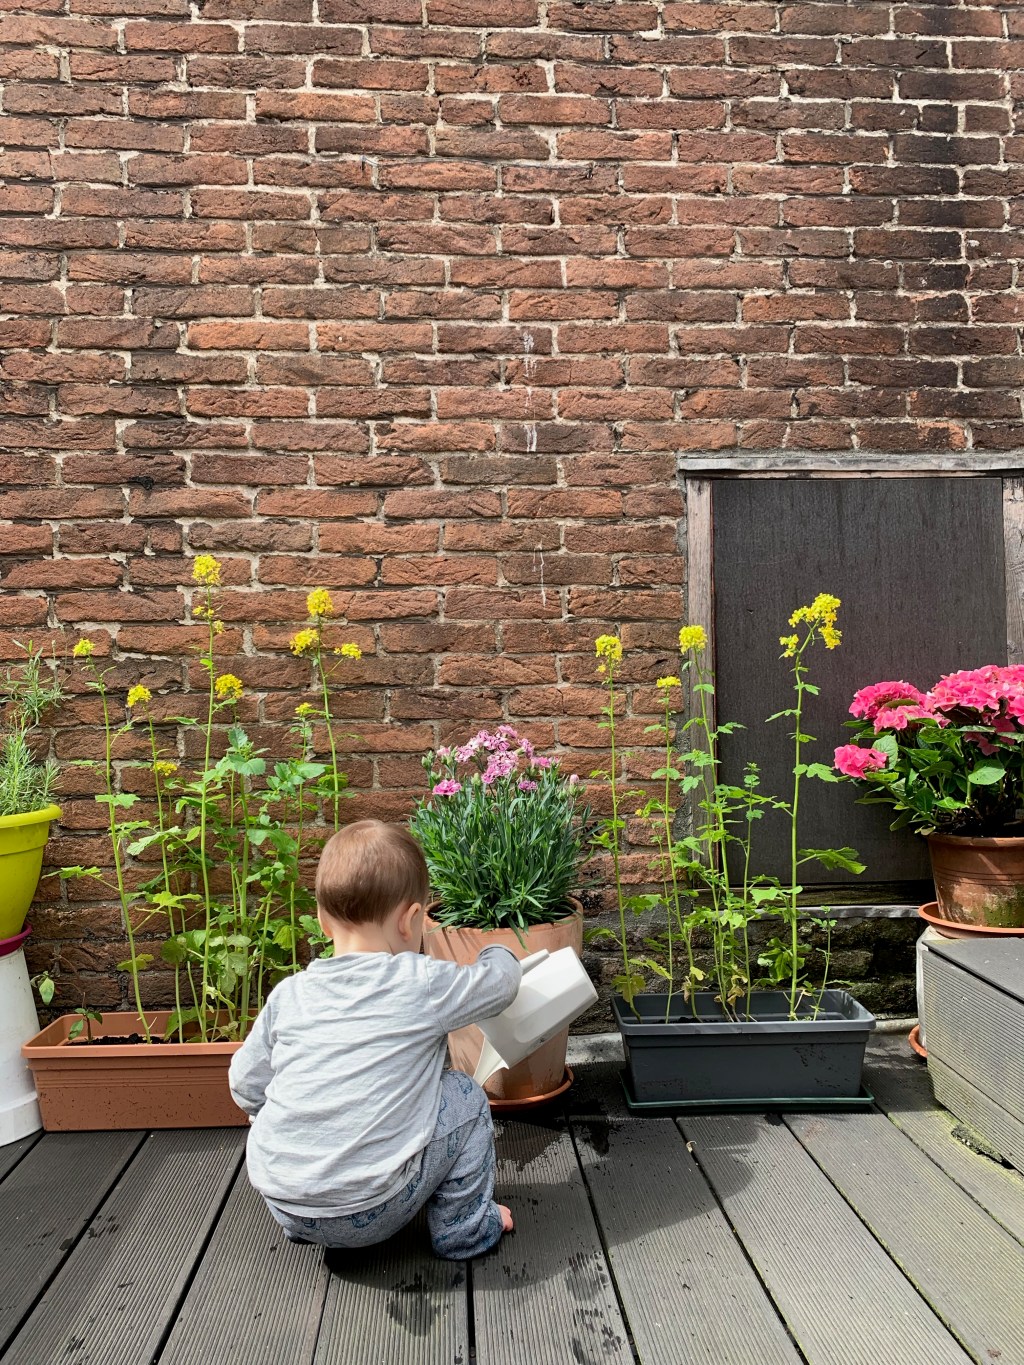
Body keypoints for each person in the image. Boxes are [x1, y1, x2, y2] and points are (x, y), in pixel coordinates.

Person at [228, 818, 522, 1260]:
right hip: (374, 1209)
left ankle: (312, 1211)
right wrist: (498, 951)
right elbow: (499, 986)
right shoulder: (419, 982)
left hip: (284, 1202)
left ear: (323, 921)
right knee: (464, 1094)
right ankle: (465, 1229)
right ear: (411, 920)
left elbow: (245, 1084)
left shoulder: (290, 994)